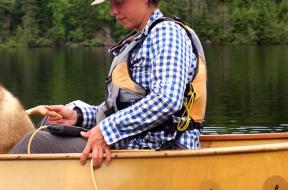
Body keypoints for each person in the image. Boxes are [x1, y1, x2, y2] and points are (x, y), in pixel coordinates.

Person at [11, 0, 207, 169]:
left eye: (119, 2)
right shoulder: (142, 38)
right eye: (111, 4)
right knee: (49, 126)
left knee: (36, 142)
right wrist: (78, 117)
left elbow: (167, 99)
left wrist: (105, 131)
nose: (113, 11)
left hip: (160, 151)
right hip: (135, 145)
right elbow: (117, 111)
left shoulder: (167, 33)